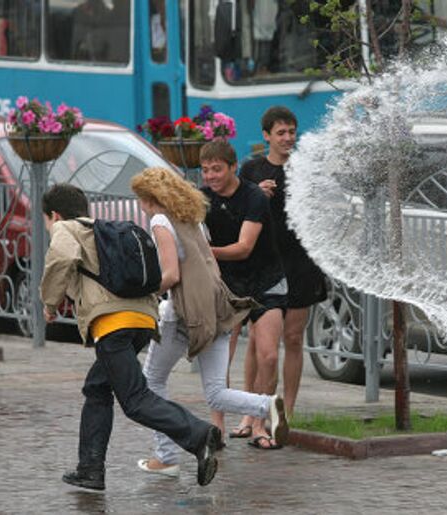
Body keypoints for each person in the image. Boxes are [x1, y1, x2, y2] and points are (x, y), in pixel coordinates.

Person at [39, 183, 221, 490]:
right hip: (142, 321)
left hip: (114, 325)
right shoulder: (103, 228)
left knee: (135, 400)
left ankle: (200, 435)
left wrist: (49, 301)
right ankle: (90, 469)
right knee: (97, 388)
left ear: (54, 215)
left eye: (46, 221)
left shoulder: (66, 229)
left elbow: (62, 258)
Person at [130, 167, 289, 476]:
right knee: (215, 392)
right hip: (216, 311)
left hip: (182, 317)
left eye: (141, 199)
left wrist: (144, 293)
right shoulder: (194, 221)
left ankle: (165, 457)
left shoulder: (160, 221)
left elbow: (172, 275)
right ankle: (267, 405)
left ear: (150, 198)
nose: (140, 205)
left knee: (151, 383)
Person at [231, 106, 327, 441]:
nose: (288, 138)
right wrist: (259, 194)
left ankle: (286, 412)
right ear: (267, 136)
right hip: (263, 263)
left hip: (300, 261)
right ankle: (250, 410)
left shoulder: (307, 169)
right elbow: (238, 211)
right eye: (281, 132)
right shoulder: (252, 169)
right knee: (259, 341)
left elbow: (321, 210)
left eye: (292, 132)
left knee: (294, 338)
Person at [200, 140, 288, 450]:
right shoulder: (203, 199)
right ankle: (217, 426)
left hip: (266, 279)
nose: (211, 176)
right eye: (206, 170)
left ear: (233, 167)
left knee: (269, 354)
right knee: (220, 358)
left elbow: (244, 247)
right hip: (227, 286)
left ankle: (259, 424)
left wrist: (205, 253)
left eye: (217, 169)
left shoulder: (253, 196)